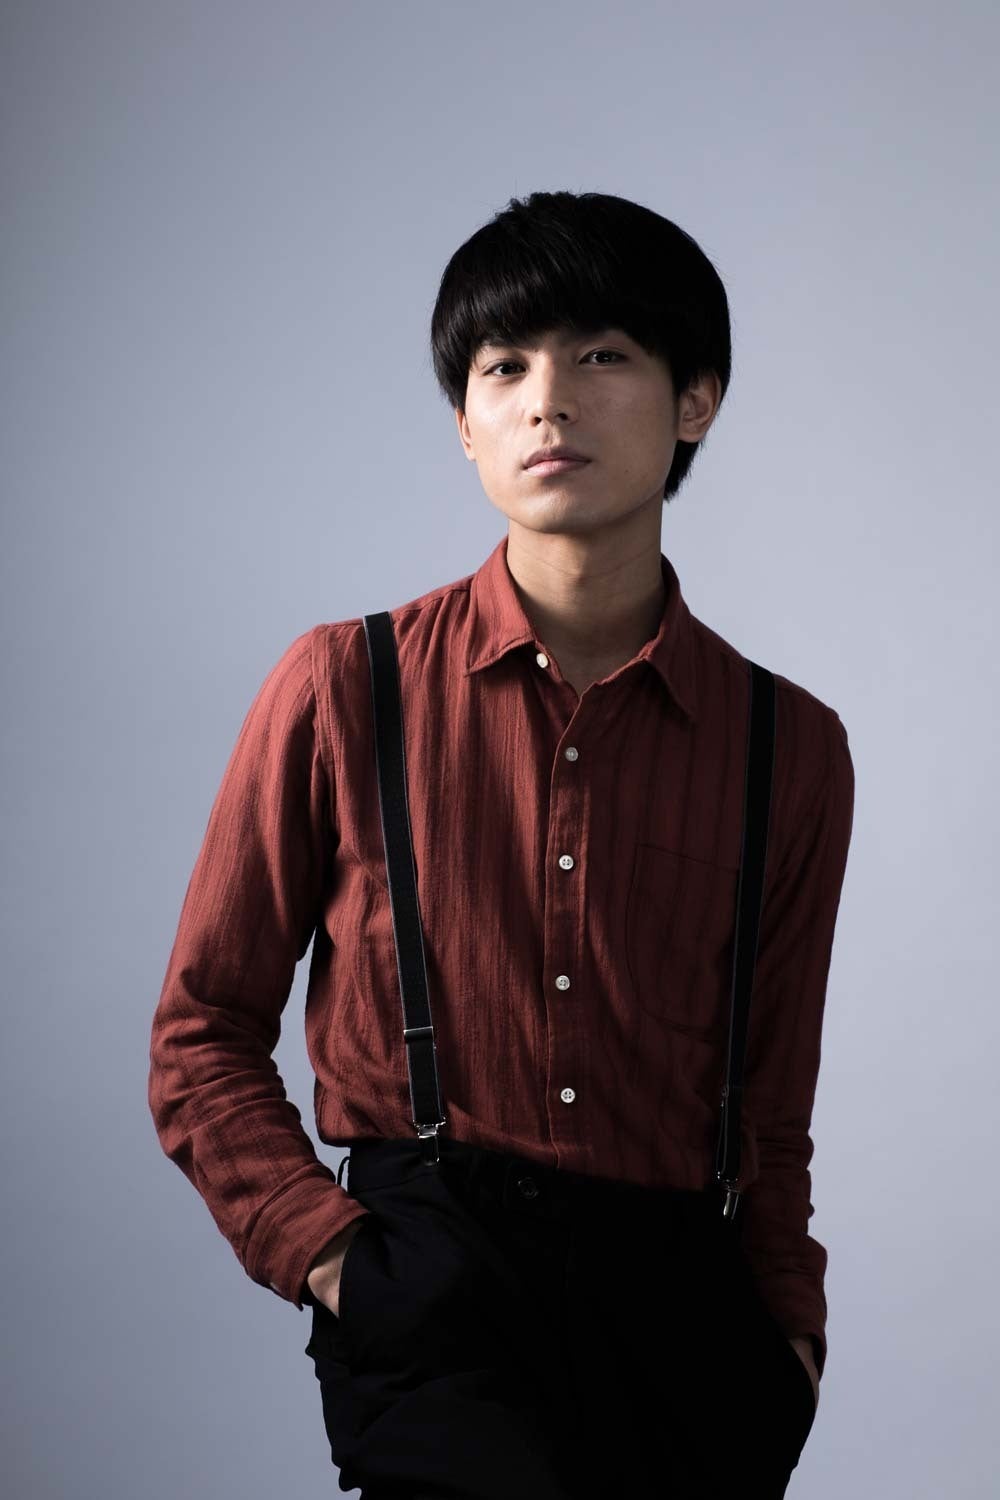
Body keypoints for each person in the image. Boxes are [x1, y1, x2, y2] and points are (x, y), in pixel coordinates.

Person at [148, 189, 855, 1498]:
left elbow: (772, 1104)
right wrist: (335, 1260)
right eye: (504, 367)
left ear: (696, 401)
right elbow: (201, 1034)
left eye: (602, 355)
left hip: (692, 1322)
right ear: (465, 424)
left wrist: (791, 1343)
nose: (549, 403)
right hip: (437, 1285)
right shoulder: (341, 687)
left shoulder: (789, 744)